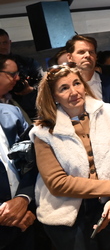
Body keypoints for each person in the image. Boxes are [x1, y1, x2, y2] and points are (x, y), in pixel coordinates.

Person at [30, 63, 110, 250]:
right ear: (54, 96)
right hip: (67, 207)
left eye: (77, 83)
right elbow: (57, 183)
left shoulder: (108, 112)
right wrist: (109, 188)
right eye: (64, 88)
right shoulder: (43, 132)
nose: (74, 91)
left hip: (109, 198)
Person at [64, 36, 110, 135]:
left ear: (95, 57)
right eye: (81, 52)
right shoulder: (62, 90)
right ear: (70, 57)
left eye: (91, 52)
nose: (87, 55)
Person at [0, 103, 38, 249]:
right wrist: (6, 213)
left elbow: (33, 160)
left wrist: (24, 198)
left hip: (26, 219)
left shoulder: (11, 112)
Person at [0, 29, 43, 119]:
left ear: (10, 42)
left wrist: (31, 89)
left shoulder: (27, 63)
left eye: (5, 43)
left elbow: (45, 84)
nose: (2, 47)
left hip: (33, 111)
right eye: (11, 74)